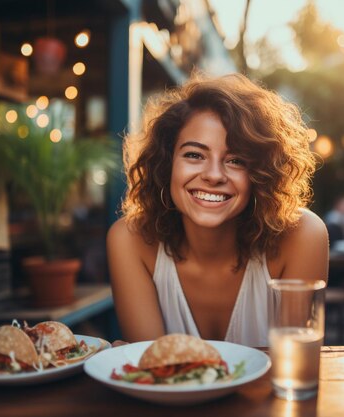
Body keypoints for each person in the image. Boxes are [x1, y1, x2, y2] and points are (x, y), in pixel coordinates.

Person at [107, 73, 329, 346]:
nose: (213, 175)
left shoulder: (303, 236)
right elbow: (153, 373)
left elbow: (293, 369)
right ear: (166, 166)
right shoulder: (130, 240)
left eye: (236, 160)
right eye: (194, 155)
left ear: (260, 174)